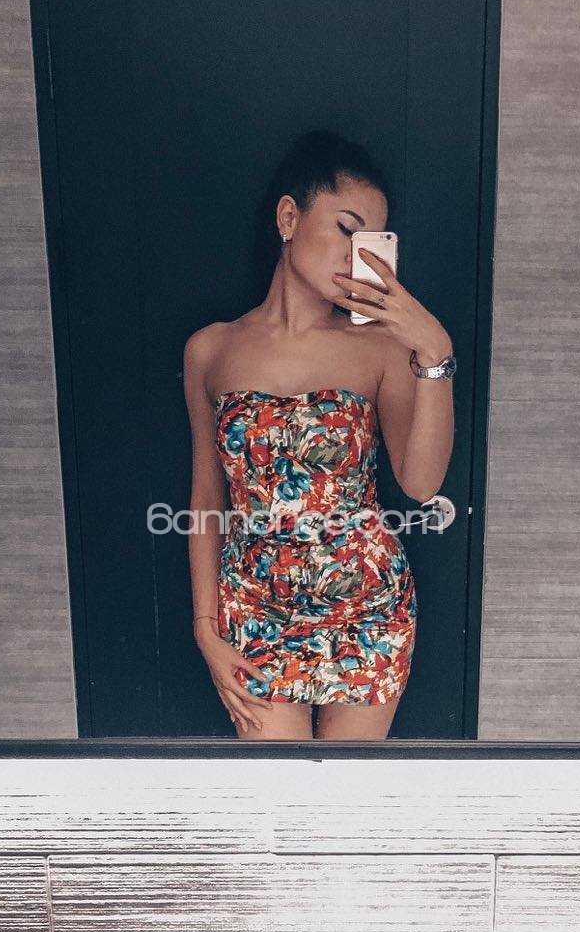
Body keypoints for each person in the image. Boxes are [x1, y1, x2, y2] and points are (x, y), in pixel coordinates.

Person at [184, 129, 454, 740]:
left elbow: (420, 483)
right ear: (289, 217)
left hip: (369, 611)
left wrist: (434, 352)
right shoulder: (211, 349)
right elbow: (206, 497)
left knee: (346, 793)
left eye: (373, 243)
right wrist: (206, 628)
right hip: (254, 607)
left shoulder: (382, 349)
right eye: (346, 230)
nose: (358, 257)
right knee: (277, 792)